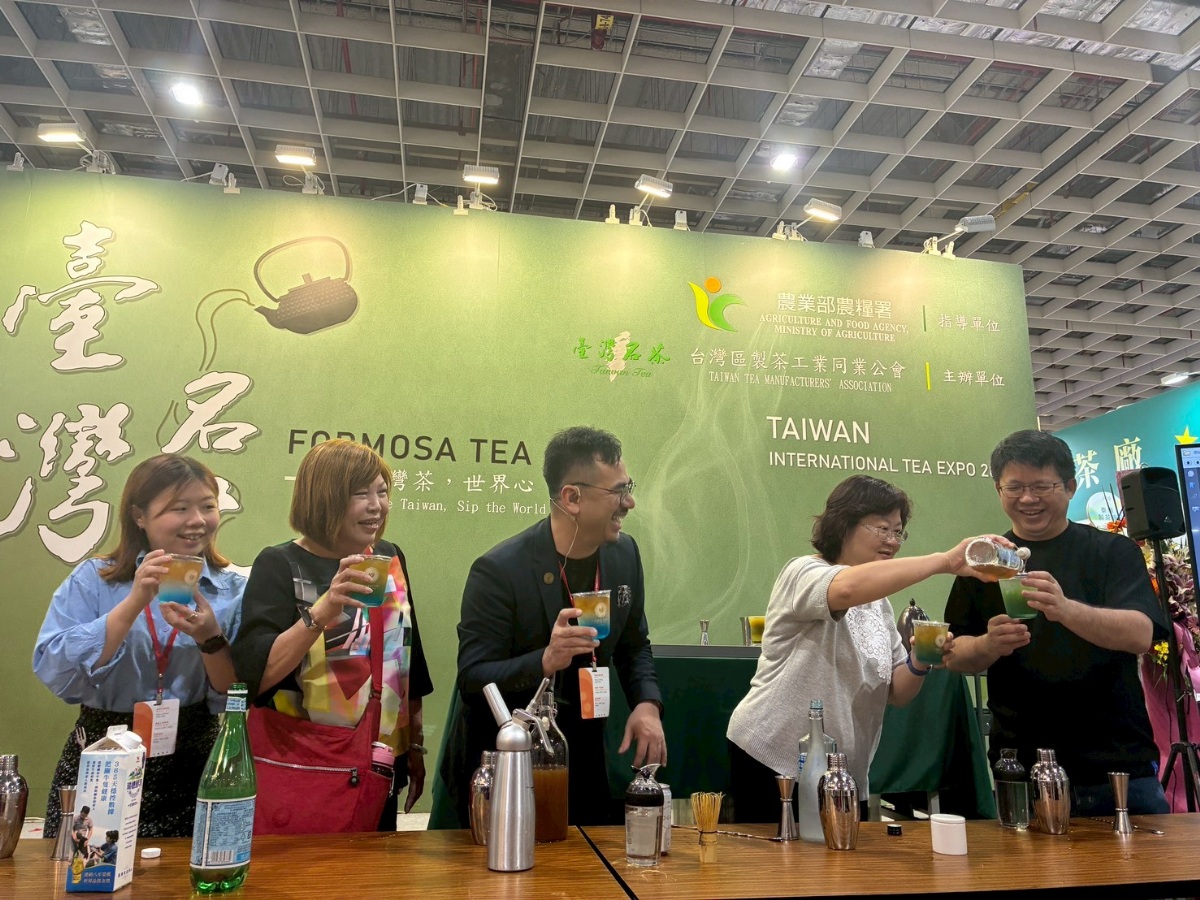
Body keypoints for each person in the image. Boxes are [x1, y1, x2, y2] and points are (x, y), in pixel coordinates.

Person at [726, 474, 1002, 823]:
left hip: (843, 772)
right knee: (778, 858)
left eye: (898, 531)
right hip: (775, 758)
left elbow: (897, 692)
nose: (893, 541)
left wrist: (920, 660)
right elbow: (844, 589)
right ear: (844, 524)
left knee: (841, 855)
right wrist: (945, 562)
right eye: (882, 529)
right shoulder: (804, 571)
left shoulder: (878, 604)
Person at [441, 426, 665, 827]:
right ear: (572, 498)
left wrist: (647, 705)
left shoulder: (624, 555)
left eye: (628, 488)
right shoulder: (498, 571)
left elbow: (634, 645)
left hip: (584, 757)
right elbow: (473, 679)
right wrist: (545, 660)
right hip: (508, 766)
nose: (629, 502)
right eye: (618, 492)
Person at [943, 429, 1170, 815]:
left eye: (1041, 486)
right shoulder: (983, 562)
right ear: (999, 490)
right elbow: (953, 655)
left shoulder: (1112, 551)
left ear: (1070, 487)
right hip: (1021, 767)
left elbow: (1140, 635)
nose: (1027, 499)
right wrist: (987, 645)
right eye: (1014, 487)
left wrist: (1065, 609)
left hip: (1117, 765)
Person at [33, 454, 244, 838]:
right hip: (103, 760)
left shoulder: (232, 590)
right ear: (139, 516)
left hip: (194, 762)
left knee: (188, 871)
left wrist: (209, 638)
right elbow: (54, 668)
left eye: (208, 506)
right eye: (179, 508)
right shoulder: (94, 579)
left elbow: (235, 695)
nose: (197, 520)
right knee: (87, 868)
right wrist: (133, 602)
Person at [232, 439, 433, 826]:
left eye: (382, 492)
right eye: (361, 494)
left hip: (379, 759)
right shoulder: (281, 564)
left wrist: (415, 745)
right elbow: (253, 678)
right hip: (305, 764)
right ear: (324, 498)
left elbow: (407, 657)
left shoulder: (388, 556)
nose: (376, 506)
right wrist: (322, 611)